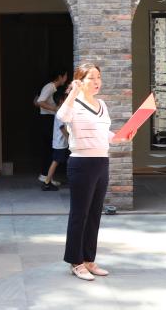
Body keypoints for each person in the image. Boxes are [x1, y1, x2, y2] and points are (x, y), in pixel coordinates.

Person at [57, 63, 130, 281]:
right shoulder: (74, 103)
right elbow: (62, 116)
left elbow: (103, 132)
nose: (97, 81)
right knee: (80, 214)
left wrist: (121, 136)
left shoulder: (102, 104)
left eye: (99, 77)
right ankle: (75, 261)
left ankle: (89, 259)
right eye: (91, 77)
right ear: (80, 80)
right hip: (81, 163)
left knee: (95, 214)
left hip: (101, 162)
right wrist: (73, 92)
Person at [36, 68, 68, 187]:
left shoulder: (51, 88)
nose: (66, 78)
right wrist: (55, 109)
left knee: (50, 150)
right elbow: (39, 101)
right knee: (51, 150)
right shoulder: (50, 87)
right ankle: (46, 177)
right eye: (65, 76)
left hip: (48, 119)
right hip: (47, 120)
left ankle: (47, 177)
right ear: (60, 77)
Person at [42, 86, 71, 191]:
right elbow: (62, 128)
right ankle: (46, 182)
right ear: (61, 101)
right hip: (60, 142)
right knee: (56, 161)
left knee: (59, 160)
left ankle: (48, 181)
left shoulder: (61, 111)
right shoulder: (60, 113)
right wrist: (70, 139)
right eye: (66, 98)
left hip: (61, 142)